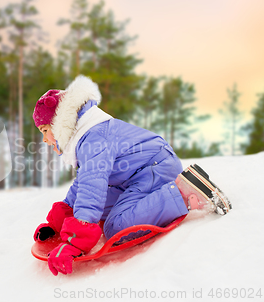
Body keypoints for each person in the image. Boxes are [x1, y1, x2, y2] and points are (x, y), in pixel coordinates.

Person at [32, 75, 232, 276]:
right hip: (138, 172)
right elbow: (84, 184)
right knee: (100, 210)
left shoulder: (93, 138)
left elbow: (93, 185)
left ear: (59, 124)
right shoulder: (89, 134)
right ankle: (169, 195)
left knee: (116, 227)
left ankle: (183, 193)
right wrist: (58, 223)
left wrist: (76, 241)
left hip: (154, 168)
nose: (45, 140)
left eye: (45, 130)